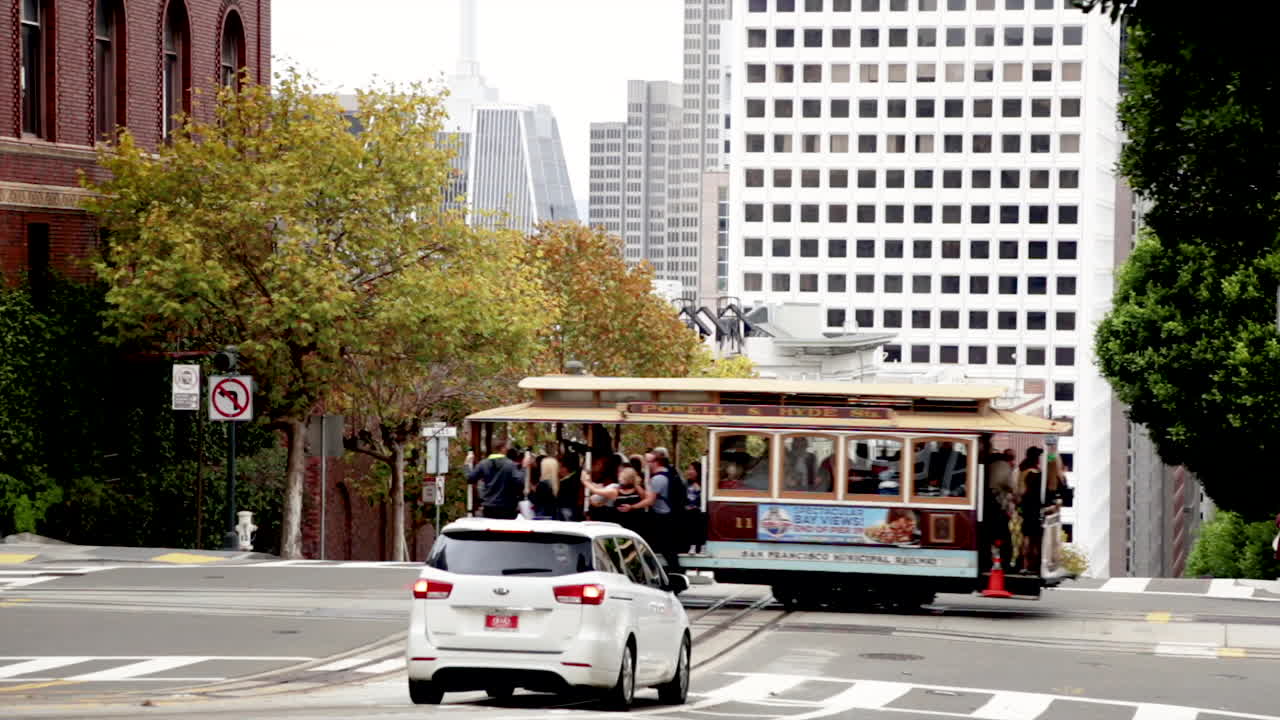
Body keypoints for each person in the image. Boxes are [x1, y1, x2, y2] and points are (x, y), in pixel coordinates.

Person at [626, 452, 684, 571]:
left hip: (662, 518)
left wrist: (632, 507)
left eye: (649, 462)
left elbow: (650, 500)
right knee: (660, 548)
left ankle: (676, 573)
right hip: (665, 516)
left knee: (665, 549)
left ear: (656, 463)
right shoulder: (668, 475)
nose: (646, 465)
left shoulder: (658, 479)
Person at [465, 439, 529, 520]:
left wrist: (467, 465)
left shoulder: (483, 464)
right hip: (507, 508)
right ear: (503, 449)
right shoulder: (511, 465)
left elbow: (470, 478)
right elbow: (520, 482)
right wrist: (524, 468)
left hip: (489, 508)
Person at [585, 467, 646, 534]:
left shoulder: (615, 492)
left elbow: (595, 490)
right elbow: (645, 499)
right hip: (635, 526)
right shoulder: (638, 491)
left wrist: (585, 482)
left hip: (621, 526)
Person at [1017, 447, 1045, 574]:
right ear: (1036, 458)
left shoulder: (1022, 470)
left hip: (1025, 506)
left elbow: (1020, 491)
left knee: (1026, 536)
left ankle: (1024, 564)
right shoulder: (1036, 473)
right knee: (1035, 537)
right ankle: (1032, 565)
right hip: (1035, 507)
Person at [556, 452, 585, 521]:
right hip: (571, 507)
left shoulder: (571, 480)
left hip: (568, 507)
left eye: (561, 466)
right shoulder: (578, 474)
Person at [684, 462, 706, 554]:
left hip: (699, 510)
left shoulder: (703, 484)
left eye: (692, 469)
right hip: (688, 510)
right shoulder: (686, 484)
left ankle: (702, 546)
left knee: (699, 517)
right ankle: (691, 545)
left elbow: (703, 499)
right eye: (689, 469)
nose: (689, 471)